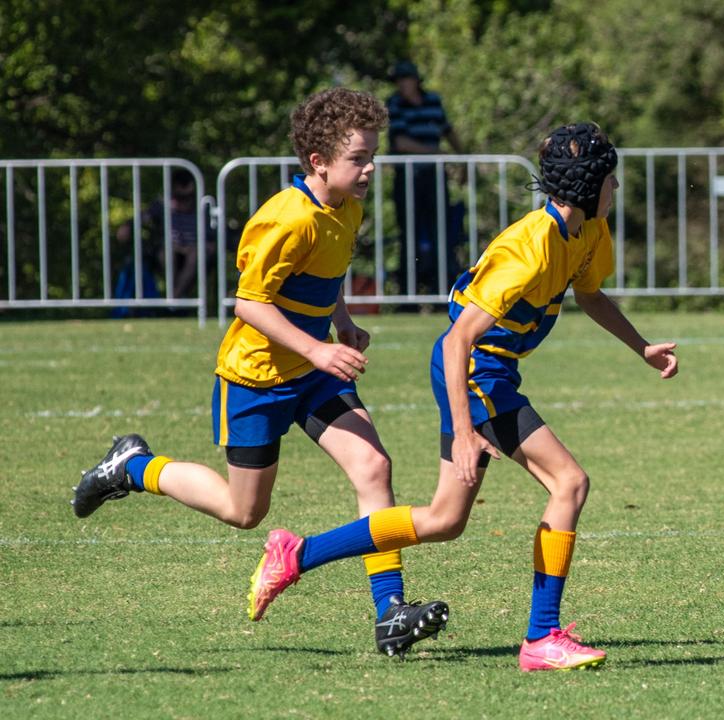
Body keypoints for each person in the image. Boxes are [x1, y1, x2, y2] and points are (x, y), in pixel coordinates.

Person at [244, 122, 679, 672]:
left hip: (492, 374)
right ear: (591, 188)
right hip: (475, 373)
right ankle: (541, 637)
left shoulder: (589, 232)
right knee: (569, 482)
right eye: (612, 182)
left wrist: (640, 347)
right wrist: (467, 428)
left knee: (445, 519)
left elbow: (591, 295)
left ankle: (298, 554)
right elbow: (457, 342)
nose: (616, 191)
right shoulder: (530, 247)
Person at [73, 88, 447, 658]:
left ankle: (390, 612)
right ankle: (134, 466)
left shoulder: (348, 205)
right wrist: (319, 350)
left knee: (373, 465)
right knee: (243, 512)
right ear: (318, 162)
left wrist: (341, 323)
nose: (371, 167)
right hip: (255, 378)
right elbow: (250, 303)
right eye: (359, 158)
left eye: (374, 156)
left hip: (311, 371)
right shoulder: (284, 218)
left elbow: (328, 274)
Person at [386, 60, 467, 299]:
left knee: (440, 231)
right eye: (399, 81)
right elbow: (400, 142)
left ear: (415, 80)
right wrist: (437, 153)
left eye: (406, 79)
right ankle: (407, 295)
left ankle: (442, 291)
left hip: (433, 175)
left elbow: (448, 131)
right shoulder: (395, 104)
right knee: (408, 233)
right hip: (409, 176)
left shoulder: (432, 101)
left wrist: (463, 158)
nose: (402, 85)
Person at [111, 168, 208, 316]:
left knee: (197, 255)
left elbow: (213, 230)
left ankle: (174, 299)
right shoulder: (163, 204)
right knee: (166, 254)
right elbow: (145, 216)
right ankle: (175, 301)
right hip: (168, 248)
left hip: (193, 248)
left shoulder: (200, 204)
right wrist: (128, 226)